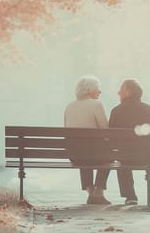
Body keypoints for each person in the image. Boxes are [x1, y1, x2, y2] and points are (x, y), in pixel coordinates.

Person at [109, 79, 150, 205]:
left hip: (126, 156)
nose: (118, 92)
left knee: (120, 151)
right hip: (148, 155)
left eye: (121, 89)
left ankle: (130, 196)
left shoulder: (116, 111)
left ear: (128, 92)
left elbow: (111, 138)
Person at [64, 75, 111, 205]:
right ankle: (98, 191)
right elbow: (106, 130)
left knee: (81, 147)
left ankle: (90, 191)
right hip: (93, 154)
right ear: (89, 90)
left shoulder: (69, 106)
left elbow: (67, 131)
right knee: (109, 154)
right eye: (98, 89)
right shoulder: (96, 104)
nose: (100, 92)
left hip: (75, 155)